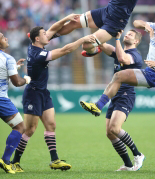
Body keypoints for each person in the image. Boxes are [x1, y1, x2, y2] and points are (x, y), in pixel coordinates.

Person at [80, 13, 155, 166]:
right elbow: (136, 22)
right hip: (149, 73)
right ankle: (98, 106)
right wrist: (145, 25)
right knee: (119, 76)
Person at [11, 14, 95, 172]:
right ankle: (15, 161)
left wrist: (67, 18)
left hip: (43, 92)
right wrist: (82, 40)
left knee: (51, 125)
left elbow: (54, 28)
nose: (47, 34)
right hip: (33, 94)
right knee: (30, 129)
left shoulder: (36, 45)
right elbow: (66, 50)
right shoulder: (38, 56)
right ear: (37, 39)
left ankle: (55, 160)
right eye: (43, 34)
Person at [96, 29, 145, 171]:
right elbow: (102, 45)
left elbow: (123, 59)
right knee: (109, 133)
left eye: (131, 35)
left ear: (136, 41)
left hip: (126, 95)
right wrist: (99, 35)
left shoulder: (135, 55)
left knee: (115, 128)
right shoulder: (119, 52)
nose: (127, 35)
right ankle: (128, 165)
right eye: (127, 33)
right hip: (115, 95)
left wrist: (117, 39)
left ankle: (138, 154)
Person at [0, 33, 31, 174]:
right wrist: (27, 79)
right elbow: (17, 82)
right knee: (20, 127)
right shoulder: (7, 58)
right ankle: (6, 160)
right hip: (1, 99)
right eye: (2, 37)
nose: (6, 38)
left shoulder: (9, 60)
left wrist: (15, 68)